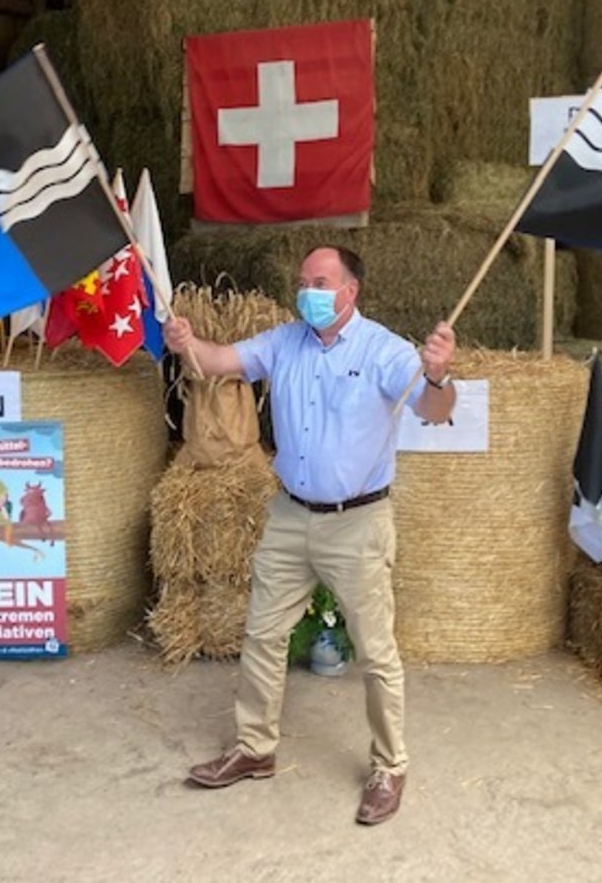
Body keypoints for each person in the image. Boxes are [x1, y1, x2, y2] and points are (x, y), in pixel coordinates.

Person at [165, 245, 456, 826]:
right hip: (290, 516)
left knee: (375, 652)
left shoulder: (385, 350)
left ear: (350, 291)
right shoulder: (283, 341)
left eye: (319, 282)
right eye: (302, 282)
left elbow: (435, 408)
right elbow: (221, 361)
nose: (307, 292)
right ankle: (254, 749)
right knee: (262, 635)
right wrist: (185, 343)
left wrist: (439, 373)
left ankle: (390, 765)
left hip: (358, 523)